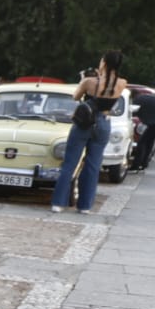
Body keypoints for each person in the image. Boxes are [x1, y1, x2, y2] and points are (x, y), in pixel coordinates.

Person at [52, 50, 127, 213]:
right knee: (93, 165)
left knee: (70, 163)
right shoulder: (122, 83)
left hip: (84, 122)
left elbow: (75, 97)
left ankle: (59, 203)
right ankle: (85, 206)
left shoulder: (89, 81)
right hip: (104, 123)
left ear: (104, 63)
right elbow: (107, 99)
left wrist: (83, 81)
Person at [129, 89, 155, 171]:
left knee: (142, 142)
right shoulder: (144, 97)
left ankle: (136, 166)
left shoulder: (136, 101)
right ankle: (144, 164)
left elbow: (131, 113)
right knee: (149, 140)